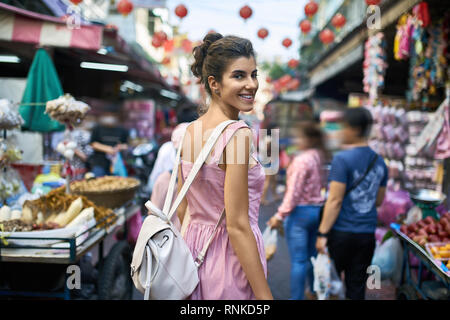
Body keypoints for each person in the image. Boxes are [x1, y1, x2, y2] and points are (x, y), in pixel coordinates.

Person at [176, 33, 273, 300]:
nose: (251, 84)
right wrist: (266, 296)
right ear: (214, 83)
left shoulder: (188, 131)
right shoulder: (237, 134)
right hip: (229, 263)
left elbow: (184, 208)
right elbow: (238, 225)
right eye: (239, 76)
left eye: (254, 74)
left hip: (191, 259)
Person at [315, 107, 388, 300]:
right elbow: (379, 201)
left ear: (354, 129)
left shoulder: (342, 159)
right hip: (366, 235)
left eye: (343, 127)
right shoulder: (380, 162)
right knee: (356, 288)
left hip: (341, 234)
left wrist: (322, 233)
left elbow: (335, 200)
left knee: (330, 286)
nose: (340, 131)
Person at [267, 122, 327, 300]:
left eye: (299, 136)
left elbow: (294, 193)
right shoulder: (318, 156)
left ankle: (297, 297)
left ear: (309, 139)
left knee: (299, 261)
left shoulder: (302, 160)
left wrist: (279, 214)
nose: (296, 140)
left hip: (300, 213)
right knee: (311, 257)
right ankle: (314, 291)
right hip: (317, 212)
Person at [88, 109, 129, 177]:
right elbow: (92, 144)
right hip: (99, 163)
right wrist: (107, 149)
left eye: (112, 115)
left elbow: (126, 145)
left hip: (115, 164)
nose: (110, 117)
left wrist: (118, 148)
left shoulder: (122, 130)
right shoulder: (97, 129)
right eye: (108, 115)